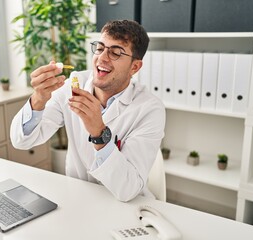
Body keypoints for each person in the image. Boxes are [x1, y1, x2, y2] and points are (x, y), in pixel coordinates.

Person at [10, 20, 165, 202]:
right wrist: (38, 98)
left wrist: (99, 133)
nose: (102, 58)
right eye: (100, 48)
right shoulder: (72, 85)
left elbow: (128, 190)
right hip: (79, 198)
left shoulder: (149, 109)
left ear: (134, 67)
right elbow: (22, 141)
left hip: (128, 208)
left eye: (115, 52)